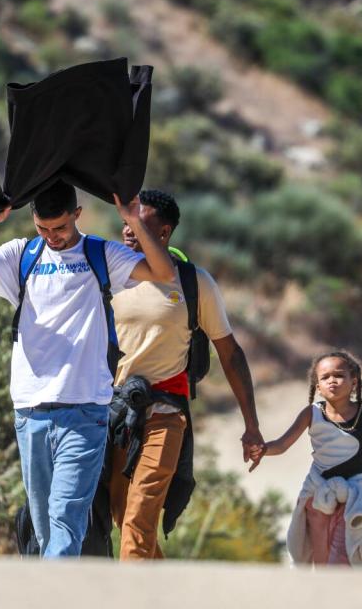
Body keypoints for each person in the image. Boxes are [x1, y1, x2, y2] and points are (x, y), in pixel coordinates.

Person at [0, 182, 174, 557]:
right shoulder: (23, 255)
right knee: (45, 528)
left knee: (66, 517)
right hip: (30, 411)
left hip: (85, 411)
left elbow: (163, 272)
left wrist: (133, 219)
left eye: (60, 228)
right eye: (43, 228)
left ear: (77, 215)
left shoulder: (102, 254)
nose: (52, 237)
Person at [108, 189, 264, 560]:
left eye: (138, 223)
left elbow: (231, 354)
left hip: (165, 412)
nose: (128, 230)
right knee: (122, 516)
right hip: (114, 414)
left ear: (163, 232)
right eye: (125, 222)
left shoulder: (194, 283)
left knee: (138, 520)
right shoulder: (109, 273)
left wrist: (252, 425)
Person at [250, 351, 362, 568]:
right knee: (322, 561)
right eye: (325, 377)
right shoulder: (311, 414)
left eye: (339, 375)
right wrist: (262, 450)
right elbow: (282, 444)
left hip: (355, 493)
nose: (332, 381)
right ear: (317, 386)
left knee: (344, 559)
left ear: (353, 382)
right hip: (319, 491)